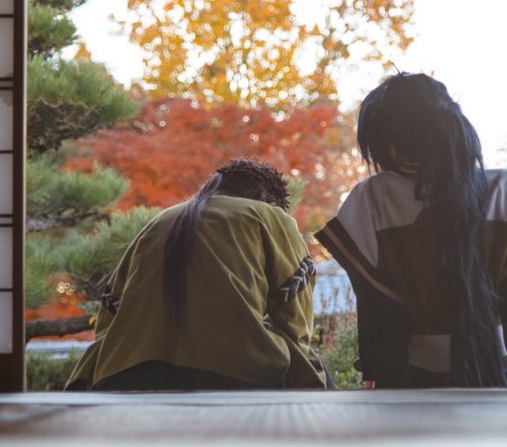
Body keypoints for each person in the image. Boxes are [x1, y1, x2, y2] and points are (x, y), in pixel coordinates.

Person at [315, 73, 507, 387]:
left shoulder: (371, 199)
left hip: (411, 383)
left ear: (387, 141)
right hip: (501, 376)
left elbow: (380, 317)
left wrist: (381, 388)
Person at [66, 158, 326, 391]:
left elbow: (110, 311)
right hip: (234, 369)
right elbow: (295, 316)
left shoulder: (159, 221)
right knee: (318, 378)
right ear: (268, 200)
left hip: (126, 372)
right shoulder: (268, 215)